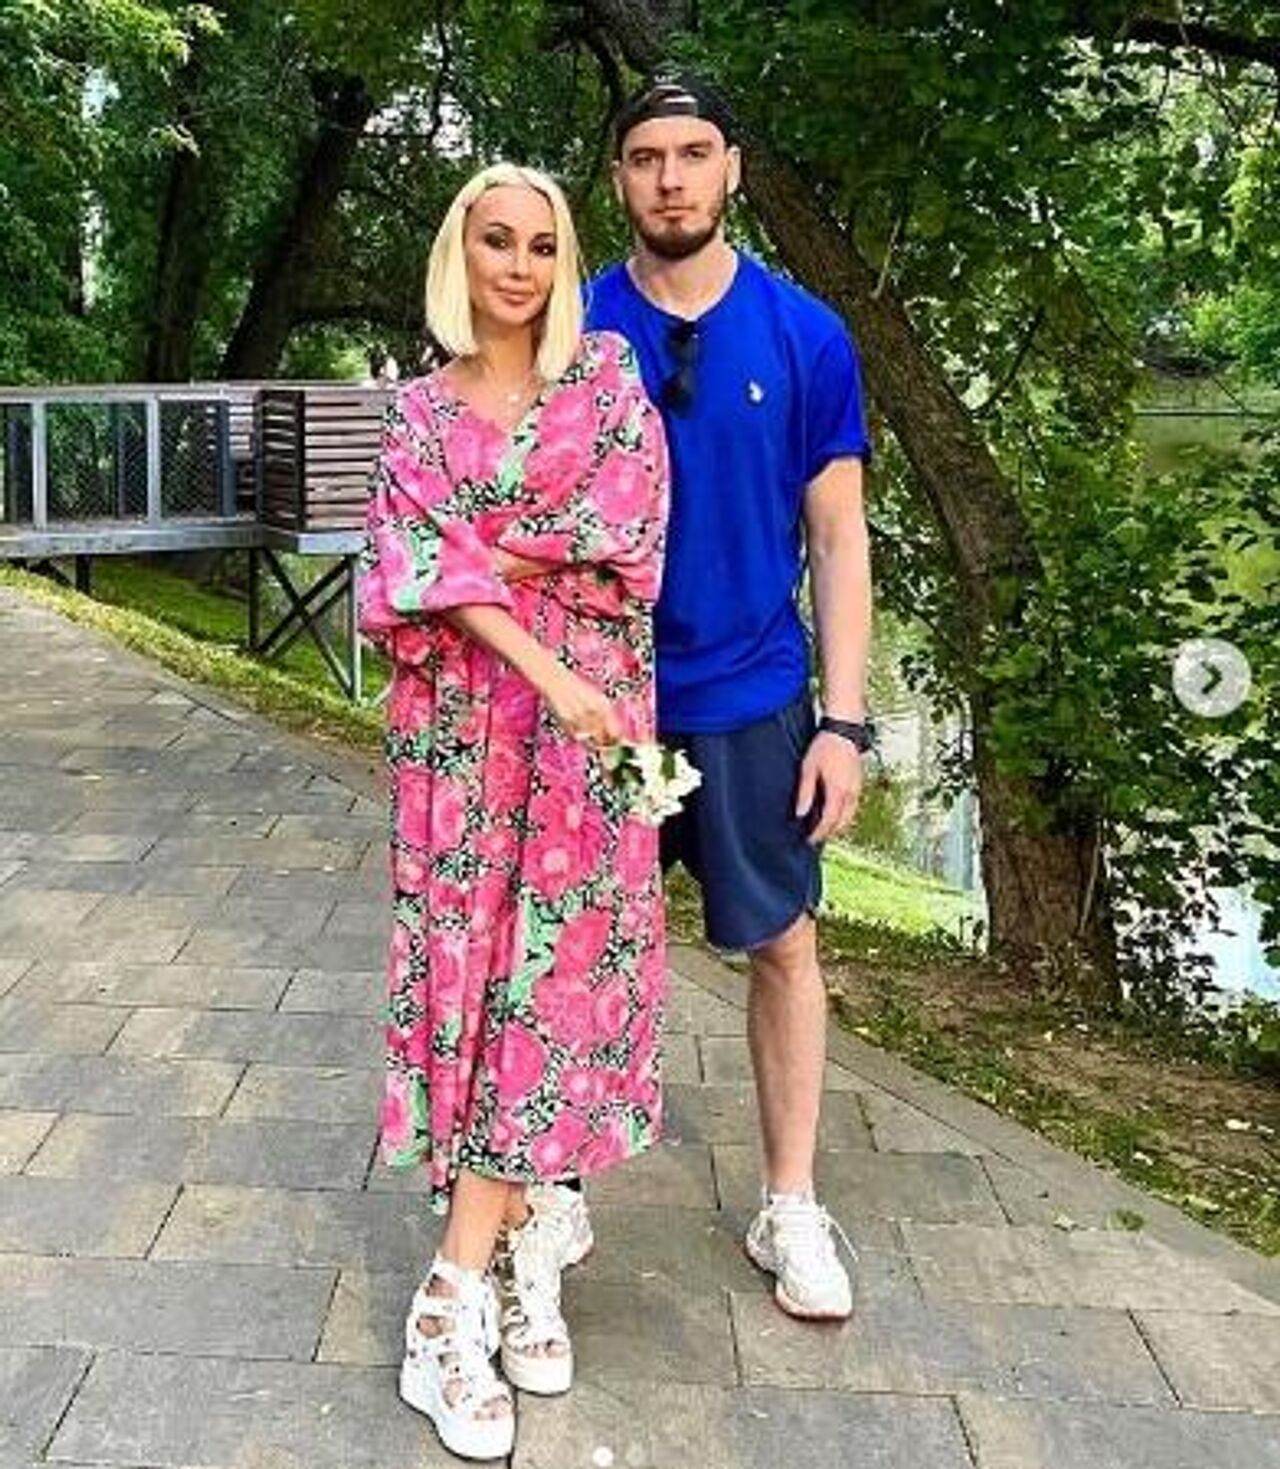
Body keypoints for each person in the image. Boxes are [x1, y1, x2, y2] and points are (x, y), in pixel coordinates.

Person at [359, 161, 669, 1460]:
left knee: (555, 992)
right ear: (461, 251)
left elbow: (627, 534)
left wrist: (479, 558)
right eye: (498, 240)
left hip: (592, 743)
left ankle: (480, 1274)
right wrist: (527, 607)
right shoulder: (417, 414)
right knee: (476, 982)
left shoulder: (606, 379)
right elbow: (409, 566)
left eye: (543, 245)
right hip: (467, 742)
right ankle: (490, 1266)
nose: (520, 266)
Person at [561, 75, 875, 1323]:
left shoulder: (805, 334)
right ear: (618, 179)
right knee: (570, 940)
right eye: (646, 157)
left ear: (731, 167)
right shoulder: (572, 326)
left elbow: (837, 537)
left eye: (693, 153)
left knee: (781, 942)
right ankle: (551, 1180)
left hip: (751, 699)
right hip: (605, 709)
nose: (670, 177)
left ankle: (788, 1200)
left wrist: (843, 722)